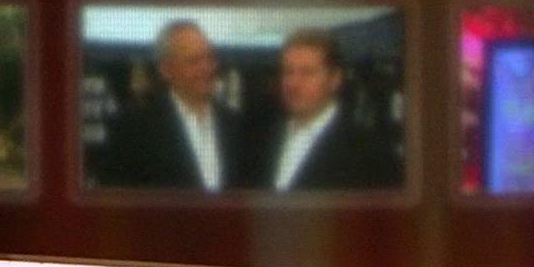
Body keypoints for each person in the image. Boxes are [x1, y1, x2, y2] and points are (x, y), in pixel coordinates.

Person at [96, 20, 246, 190]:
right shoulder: (134, 130)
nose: (207, 68)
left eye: (209, 58)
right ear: (166, 70)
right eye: (194, 61)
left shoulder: (236, 125)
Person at [243, 31, 401, 192]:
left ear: (335, 79)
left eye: (307, 73)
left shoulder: (369, 154)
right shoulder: (259, 140)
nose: (293, 83)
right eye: (288, 72)